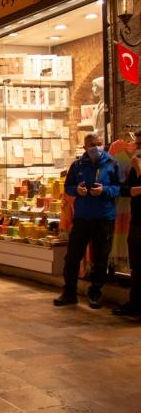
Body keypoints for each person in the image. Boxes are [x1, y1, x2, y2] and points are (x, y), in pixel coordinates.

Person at [55, 133, 121, 309]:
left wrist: (105, 190)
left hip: (104, 218)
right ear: (84, 147)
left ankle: (95, 294)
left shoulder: (112, 164)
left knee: (100, 259)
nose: (95, 147)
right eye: (91, 144)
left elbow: (119, 188)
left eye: (98, 143)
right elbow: (68, 187)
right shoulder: (77, 165)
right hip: (82, 217)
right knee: (72, 257)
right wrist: (77, 190)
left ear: (103, 144)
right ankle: (69, 293)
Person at [115, 134, 141, 316]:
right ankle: (135, 303)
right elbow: (126, 189)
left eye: (139, 144)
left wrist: (139, 170)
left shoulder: (136, 165)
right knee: (137, 265)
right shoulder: (134, 164)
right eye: (136, 143)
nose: (136, 147)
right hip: (137, 220)